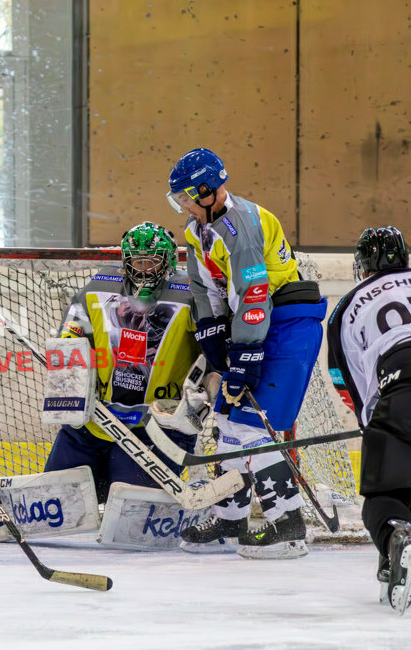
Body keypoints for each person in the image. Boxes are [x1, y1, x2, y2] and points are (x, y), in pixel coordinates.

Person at [164, 147, 328, 558]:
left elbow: (254, 295)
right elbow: (203, 288)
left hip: (287, 325)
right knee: (226, 422)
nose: (183, 206)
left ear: (207, 191)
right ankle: (230, 518)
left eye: (186, 197)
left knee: (254, 426)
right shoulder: (197, 230)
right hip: (255, 325)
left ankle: (288, 527)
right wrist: (211, 333)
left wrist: (244, 356)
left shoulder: (242, 227)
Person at [44, 221, 201, 502]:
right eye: (137, 262)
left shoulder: (190, 294)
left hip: (157, 427)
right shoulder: (98, 288)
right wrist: (73, 386)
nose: (144, 270)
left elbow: (213, 350)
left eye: (152, 262)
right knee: (58, 499)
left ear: (168, 262)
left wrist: (197, 401)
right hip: (95, 422)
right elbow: (70, 339)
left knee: (132, 507)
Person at [327, 226, 411, 613]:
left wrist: (374, 426)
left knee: (384, 496)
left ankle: (397, 537)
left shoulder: (348, 305)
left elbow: (347, 379)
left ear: (362, 265)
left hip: (400, 388)